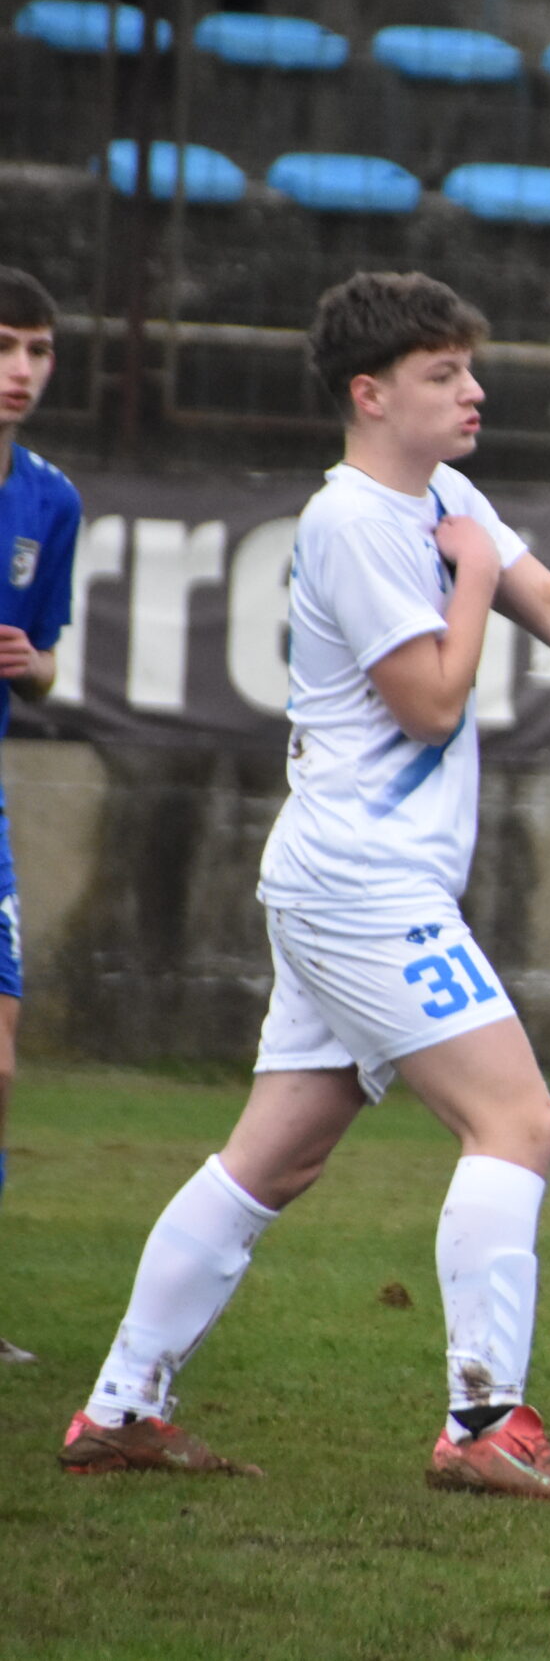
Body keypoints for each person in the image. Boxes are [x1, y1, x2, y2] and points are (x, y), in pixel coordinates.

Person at [60, 272, 550, 1493]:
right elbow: (431, 704)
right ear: (370, 394)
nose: (473, 391)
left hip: (351, 880)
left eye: (468, 368)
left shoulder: (445, 495)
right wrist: (470, 577)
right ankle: (483, 1425)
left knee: (273, 1161)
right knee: (518, 1123)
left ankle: (120, 1409)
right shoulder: (352, 522)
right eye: (442, 373)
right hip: (363, 885)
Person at [0, 267, 80, 1367]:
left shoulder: (50, 500)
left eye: (38, 349)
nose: (21, 370)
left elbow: (52, 663)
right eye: (4, 346)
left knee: (2, 1064)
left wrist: (32, 662)